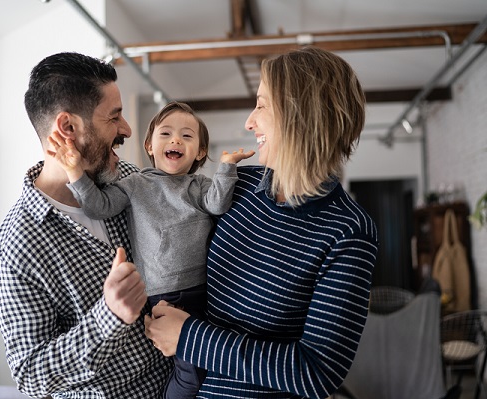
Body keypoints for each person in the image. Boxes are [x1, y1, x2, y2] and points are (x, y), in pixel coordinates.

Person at [144, 46, 379, 399]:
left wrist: (189, 337)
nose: (249, 121)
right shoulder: (239, 186)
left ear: (299, 113)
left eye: (262, 104)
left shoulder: (348, 231)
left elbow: (317, 372)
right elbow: (162, 192)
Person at [0, 52, 172, 399]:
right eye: (114, 116)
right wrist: (109, 316)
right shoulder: (15, 249)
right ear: (68, 128)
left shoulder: (128, 180)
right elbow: (31, 378)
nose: (127, 129)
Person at [47, 101, 254, 399]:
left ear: (200, 152)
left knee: (205, 364)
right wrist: (75, 172)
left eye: (187, 136)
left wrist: (227, 167)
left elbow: (217, 204)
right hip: (162, 295)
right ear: (149, 145)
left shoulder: (199, 186)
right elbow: (98, 206)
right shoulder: (133, 184)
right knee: (190, 371)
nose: (175, 140)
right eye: (166, 133)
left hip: (206, 292)